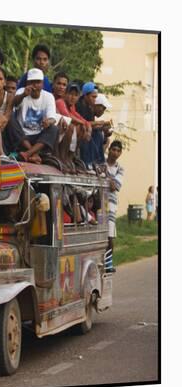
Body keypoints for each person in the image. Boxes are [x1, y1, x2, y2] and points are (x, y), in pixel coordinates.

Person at [12, 68, 58, 163]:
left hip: (39, 138)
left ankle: (27, 154)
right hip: (22, 136)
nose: (34, 85)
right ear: (27, 83)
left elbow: (52, 118)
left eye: (37, 82)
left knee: (54, 128)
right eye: (31, 82)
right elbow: (14, 103)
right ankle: (34, 154)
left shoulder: (48, 96)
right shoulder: (21, 91)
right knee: (10, 120)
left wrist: (48, 122)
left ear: (42, 84)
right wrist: (23, 95)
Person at [76, 82, 111, 170]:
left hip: (85, 129)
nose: (95, 100)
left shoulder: (89, 108)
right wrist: (100, 123)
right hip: (78, 130)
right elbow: (83, 122)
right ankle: (87, 161)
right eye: (93, 97)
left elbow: (90, 123)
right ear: (86, 95)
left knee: (98, 132)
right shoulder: (79, 105)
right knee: (91, 132)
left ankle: (98, 162)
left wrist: (102, 127)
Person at [105, 140, 124, 273]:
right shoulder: (101, 162)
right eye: (113, 149)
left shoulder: (120, 169)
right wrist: (110, 179)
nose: (115, 152)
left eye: (118, 151)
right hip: (97, 202)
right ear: (109, 150)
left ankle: (108, 263)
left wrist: (105, 176)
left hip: (111, 204)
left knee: (110, 237)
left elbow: (114, 187)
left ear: (120, 153)